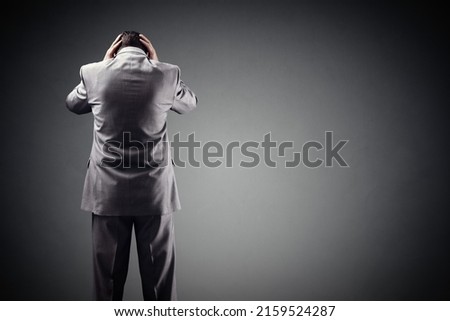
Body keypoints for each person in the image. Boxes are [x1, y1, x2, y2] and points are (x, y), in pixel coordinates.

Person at [65, 31, 197, 300]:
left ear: (116, 48)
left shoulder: (92, 73)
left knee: (108, 283)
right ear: (146, 49)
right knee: (159, 283)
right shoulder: (167, 74)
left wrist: (103, 65)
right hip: (155, 192)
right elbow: (189, 104)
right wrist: (158, 66)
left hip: (106, 192)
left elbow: (73, 104)